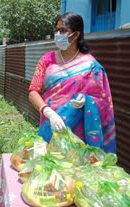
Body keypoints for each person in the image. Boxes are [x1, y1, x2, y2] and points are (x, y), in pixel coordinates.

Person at [29, 12, 116, 153]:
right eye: (56, 30)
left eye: (62, 30)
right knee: (49, 167)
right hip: (50, 125)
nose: (57, 34)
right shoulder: (47, 59)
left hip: (79, 132)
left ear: (76, 35)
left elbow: (103, 101)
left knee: (72, 170)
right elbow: (33, 92)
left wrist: (88, 100)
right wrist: (49, 112)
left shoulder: (91, 66)